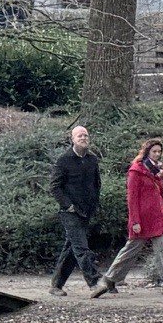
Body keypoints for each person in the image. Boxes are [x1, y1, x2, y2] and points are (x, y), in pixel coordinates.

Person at [98, 137, 163, 296]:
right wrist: (135, 221)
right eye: (154, 151)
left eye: (159, 152)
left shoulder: (158, 171)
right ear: (147, 152)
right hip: (142, 219)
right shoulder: (136, 170)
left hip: (159, 217)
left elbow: (160, 194)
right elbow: (132, 197)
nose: (157, 154)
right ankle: (110, 279)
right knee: (131, 250)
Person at [49, 123, 103, 294]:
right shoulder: (63, 160)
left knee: (71, 250)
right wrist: (68, 205)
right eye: (79, 135)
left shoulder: (92, 159)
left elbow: (97, 184)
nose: (83, 138)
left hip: (86, 210)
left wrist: (95, 204)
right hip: (70, 212)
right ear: (72, 139)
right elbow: (55, 187)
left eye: (86, 135)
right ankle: (94, 283)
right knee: (81, 247)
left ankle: (56, 285)